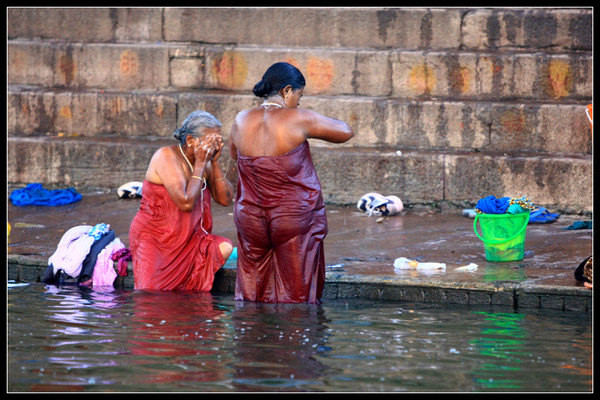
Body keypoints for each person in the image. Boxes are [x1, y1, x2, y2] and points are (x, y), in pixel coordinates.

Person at [229, 62, 354, 303]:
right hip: (292, 218)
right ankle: (294, 337)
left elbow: (235, 155)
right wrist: (307, 118)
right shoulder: (298, 117)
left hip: (250, 218)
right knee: (296, 296)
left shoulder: (241, 119)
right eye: (299, 95)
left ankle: (253, 337)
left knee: (253, 291)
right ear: (287, 91)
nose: (299, 102)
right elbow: (345, 131)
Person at [129, 111, 234, 291]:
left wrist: (214, 163)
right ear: (191, 141)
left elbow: (225, 200)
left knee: (225, 247)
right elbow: (185, 203)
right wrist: (201, 164)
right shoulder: (166, 156)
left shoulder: (205, 162)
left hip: (190, 238)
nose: (214, 146)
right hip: (157, 239)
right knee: (152, 294)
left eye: (217, 141)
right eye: (210, 141)